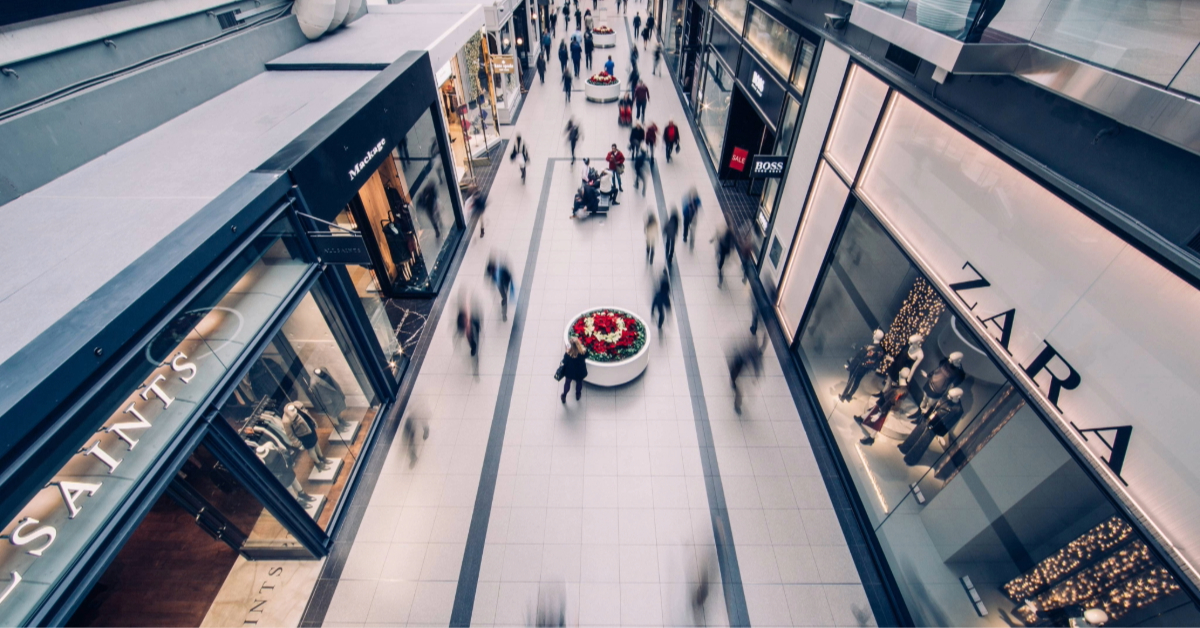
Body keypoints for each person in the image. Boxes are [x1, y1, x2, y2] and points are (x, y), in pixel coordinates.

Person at [728, 340, 764, 415]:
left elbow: (756, 364)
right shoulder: (743, 356)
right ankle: (737, 405)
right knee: (739, 392)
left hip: (738, 371)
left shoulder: (746, 354)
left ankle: (733, 384)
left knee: (738, 388)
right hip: (737, 371)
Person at [560, 338, 588, 402]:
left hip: (569, 372)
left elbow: (564, 361)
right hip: (580, 371)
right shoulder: (583, 352)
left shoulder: (568, 354)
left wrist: (567, 350)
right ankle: (578, 395)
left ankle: (564, 395)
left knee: (567, 383)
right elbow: (587, 355)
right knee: (579, 383)